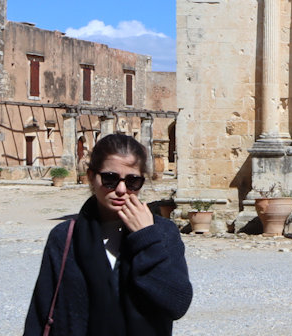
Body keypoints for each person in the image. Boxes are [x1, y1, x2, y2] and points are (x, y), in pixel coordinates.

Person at [24, 132, 192, 336]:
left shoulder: (162, 233)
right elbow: (40, 314)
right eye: (110, 179)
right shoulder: (65, 236)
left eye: (132, 181)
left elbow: (176, 303)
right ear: (91, 178)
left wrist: (146, 238)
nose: (121, 189)